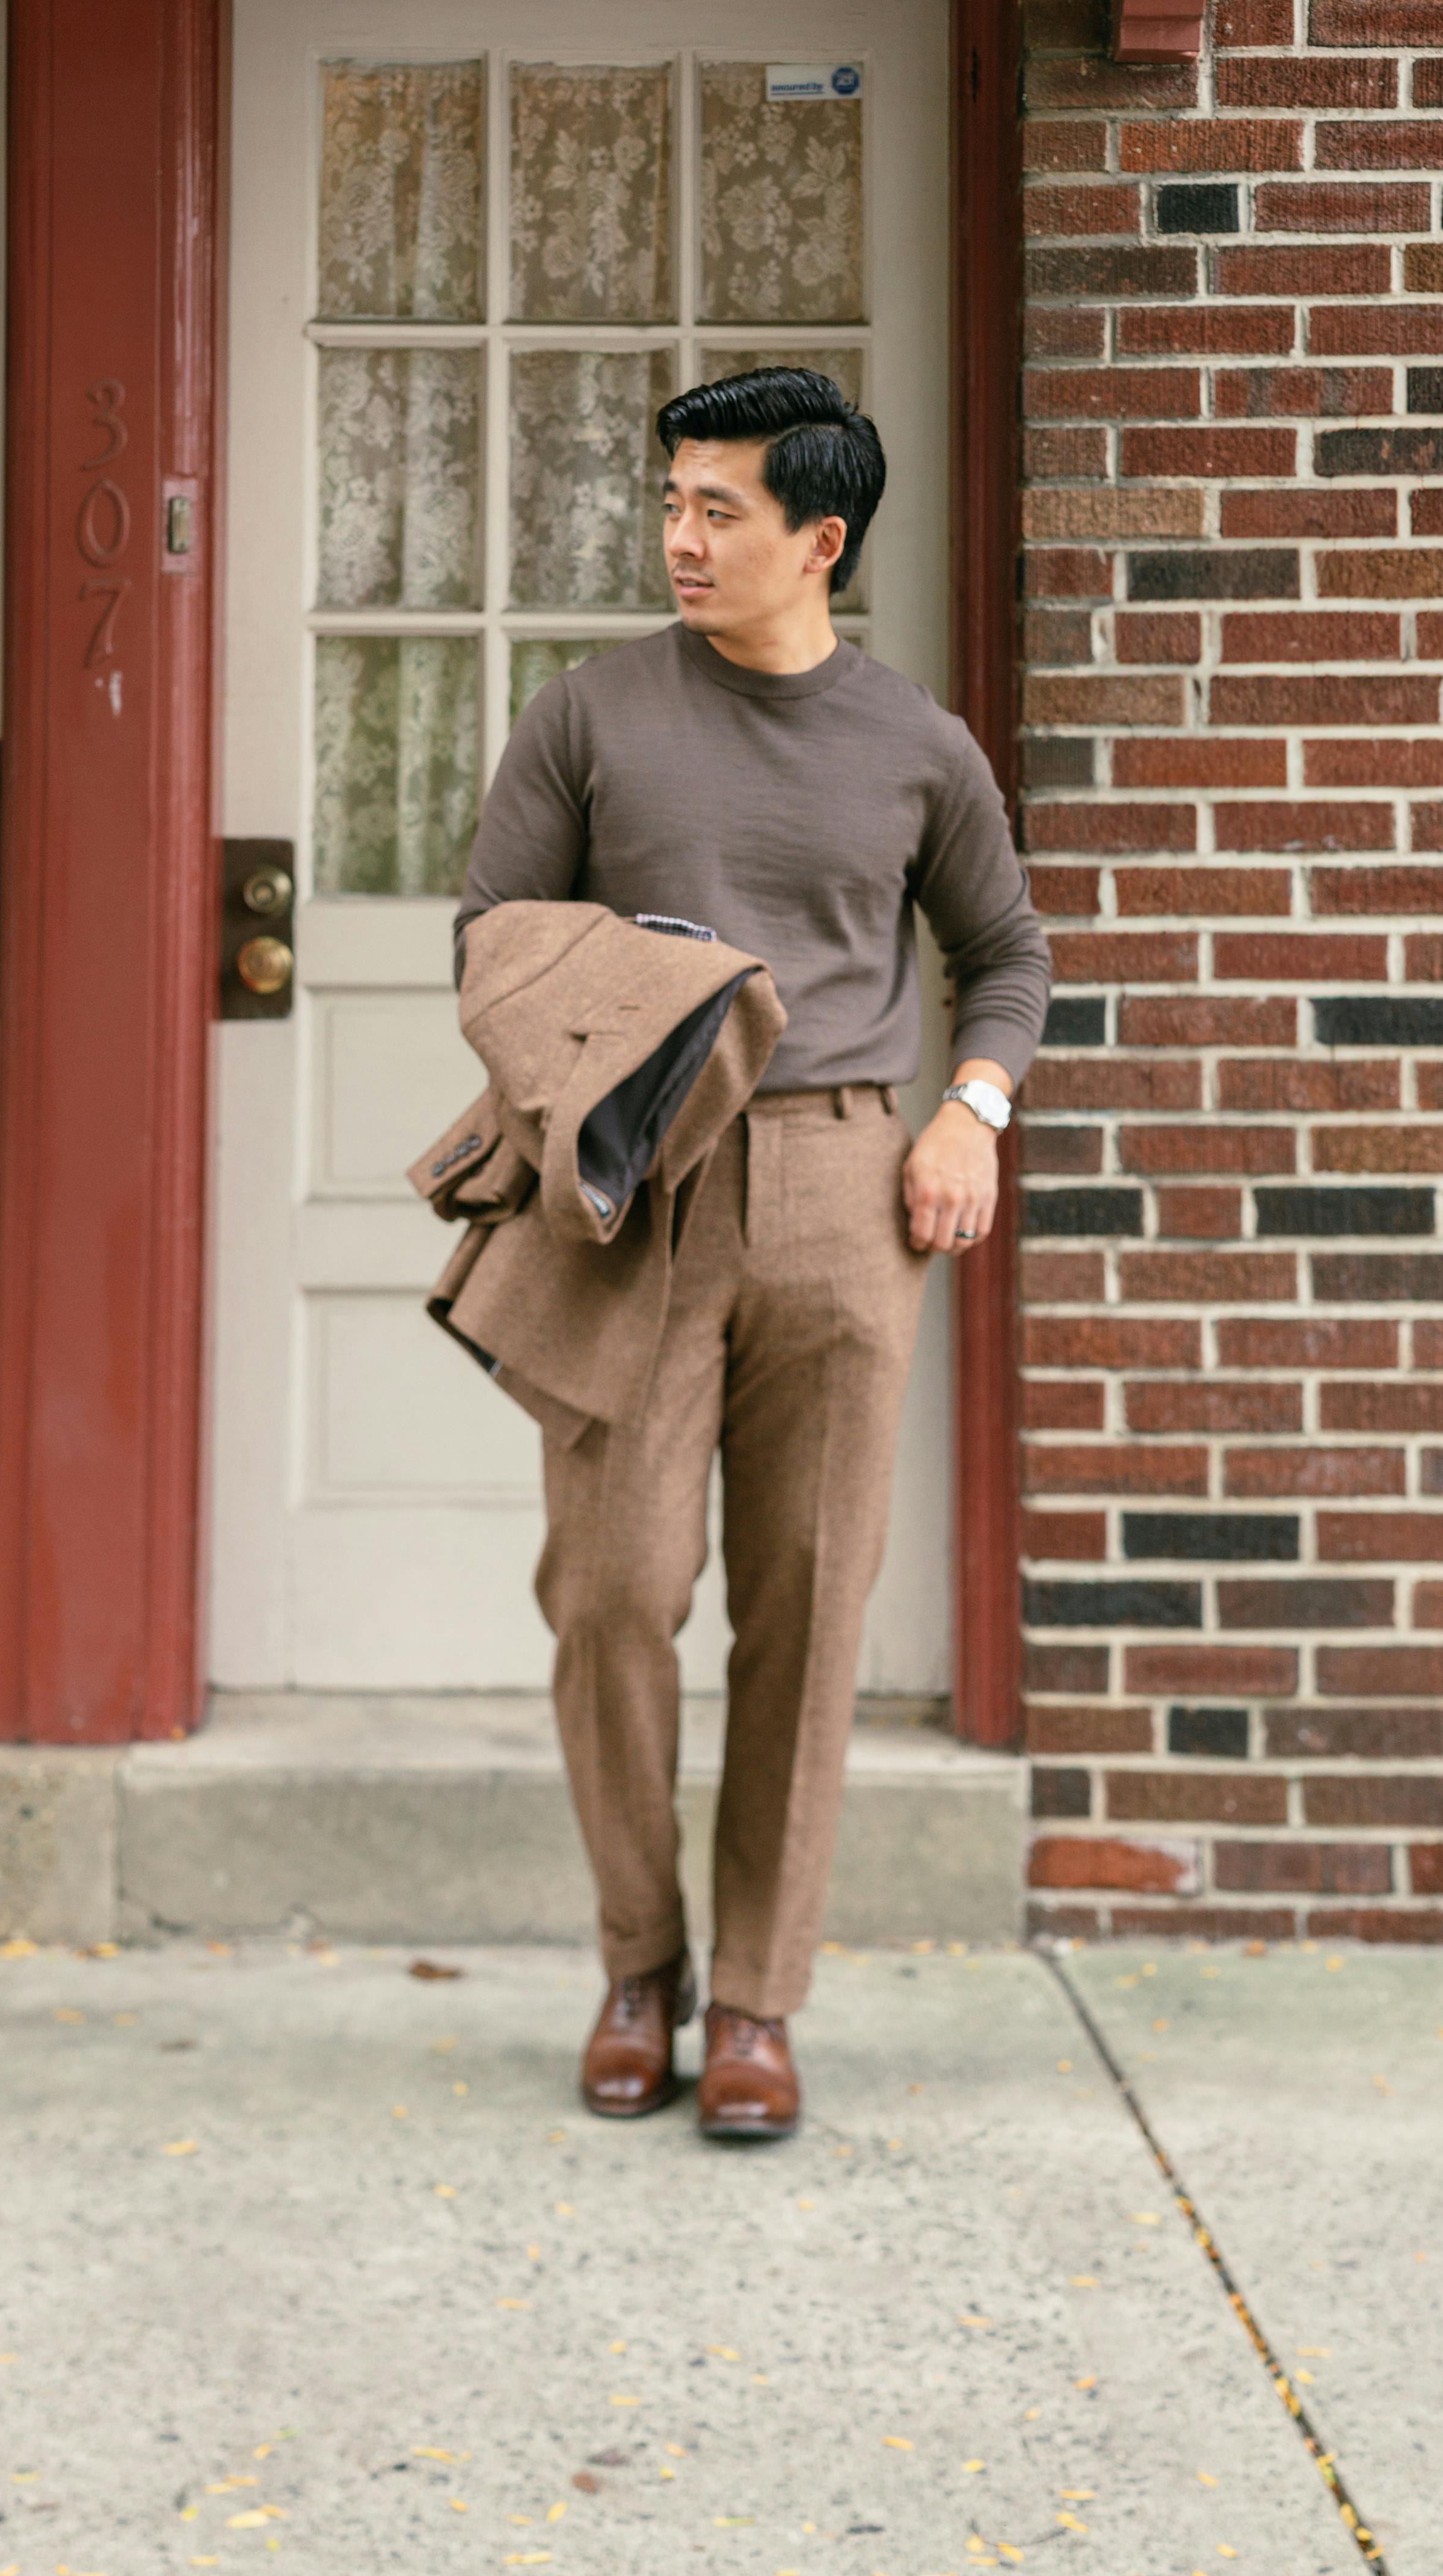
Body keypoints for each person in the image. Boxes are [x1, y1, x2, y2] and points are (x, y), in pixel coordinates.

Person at [454, 365, 1051, 2140]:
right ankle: (639, 1960)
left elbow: (1006, 951)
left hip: (845, 1191)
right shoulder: (589, 714)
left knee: (807, 1604)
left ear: (822, 536)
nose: (681, 536)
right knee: (613, 1592)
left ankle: (758, 2001)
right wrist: (613, 1049)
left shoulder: (917, 745)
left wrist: (976, 1109)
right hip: (633, 1197)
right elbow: (495, 935)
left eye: (719, 508)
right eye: (673, 503)